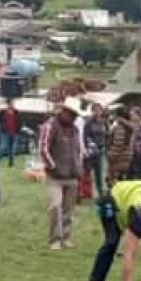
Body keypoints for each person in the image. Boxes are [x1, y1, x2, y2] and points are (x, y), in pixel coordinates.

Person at [40, 98, 83, 249]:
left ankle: (65, 236)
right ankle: (55, 239)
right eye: (71, 114)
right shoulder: (50, 126)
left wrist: (79, 166)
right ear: (63, 111)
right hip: (55, 176)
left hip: (73, 175)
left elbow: (78, 150)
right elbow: (44, 149)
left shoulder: (76, 129)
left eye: (75, 115)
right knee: (55, 206)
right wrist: (53, 166)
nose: (73, 117)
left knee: (68, 209)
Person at [83, 103, 109, 197]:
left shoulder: (103, 122)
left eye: (99, 110)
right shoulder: (88, 122)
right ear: (92, 111)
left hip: (101, 150)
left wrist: (106, 145)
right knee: (87, 172)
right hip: (91, 150)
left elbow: (107, 135)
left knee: (99, 172)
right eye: (95, 110)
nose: (97, 112)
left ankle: (100, 193)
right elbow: (85, 135)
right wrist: (89, 146)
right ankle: (85, 193)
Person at [106, 106, 136, 184]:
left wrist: (110, 153)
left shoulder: (118, 126)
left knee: (115, 180)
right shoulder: (131, 126)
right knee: (123, 179)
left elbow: (115, 142)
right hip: (126, 156)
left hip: (117, 156)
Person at [0, 99, 22, 167]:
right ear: (7, 105)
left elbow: (20, 122)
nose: (12, 105)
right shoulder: (2, 112)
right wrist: (1, 127)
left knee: (13, 149)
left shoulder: (17, 112)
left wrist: (19, 130)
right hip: (5, 133)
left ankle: (11, 163)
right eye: (10, 104)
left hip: (15, 133)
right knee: (2, 147)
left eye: (13, 104)